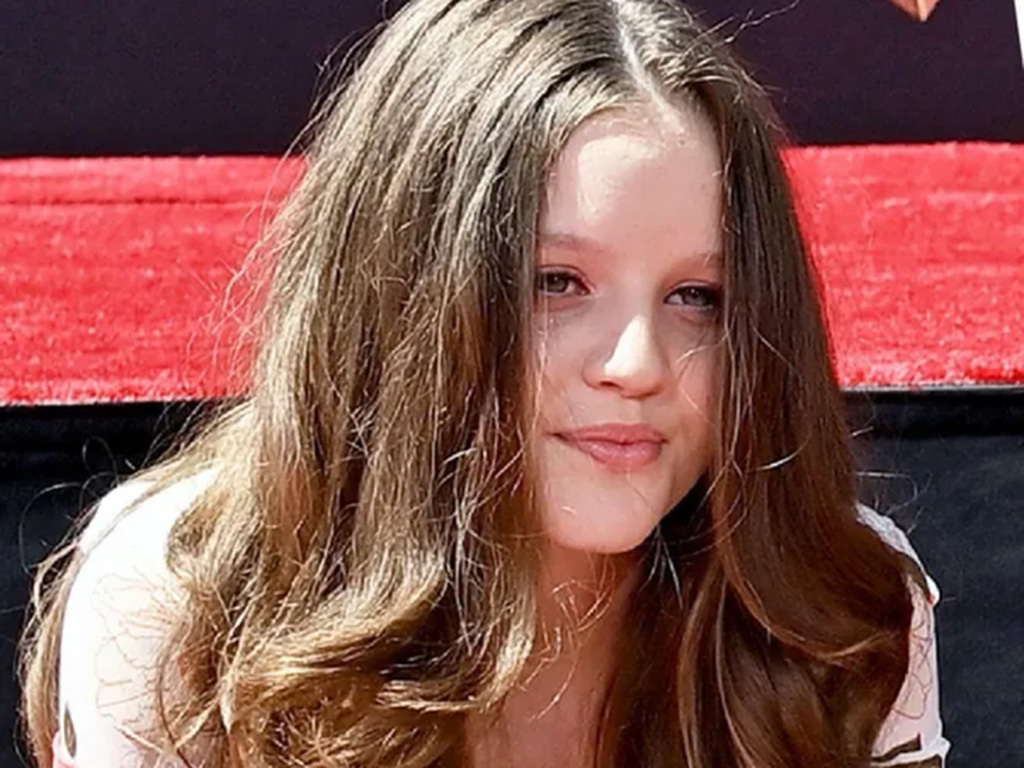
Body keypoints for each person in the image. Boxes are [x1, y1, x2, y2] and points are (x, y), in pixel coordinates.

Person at [19, 0, 951, 766]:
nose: (635, 364)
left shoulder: (842, 614)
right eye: (556, 283)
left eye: (699, 298)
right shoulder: (178, 600)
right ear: (398, 292)